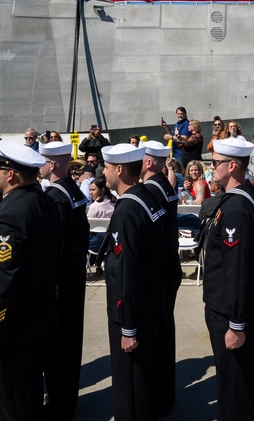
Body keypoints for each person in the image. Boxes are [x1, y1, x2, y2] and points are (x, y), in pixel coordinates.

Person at [0, 141, 59, 420]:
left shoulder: (10, 216)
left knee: (11, 401)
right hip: (36, 319)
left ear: (11, 175)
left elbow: (2, 283)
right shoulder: (43, 202)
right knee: (25, 396)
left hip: (10, 331)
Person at [203, 137, 254, 421]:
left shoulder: (236, 208)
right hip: (230, 306)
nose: (211, 168)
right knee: (238, 377)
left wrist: (236, 324)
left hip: (228, 310)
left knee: (234, 383)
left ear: (231, 166)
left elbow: (238, 269)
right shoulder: (239, 199)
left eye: (215, 163)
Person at [101, 143, 165, 421]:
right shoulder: (147, 197)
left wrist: (127, 326)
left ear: (118, 169)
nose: (103, 173)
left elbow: (126, 270)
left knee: (130, 389)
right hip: (149, 305)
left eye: (105, 167)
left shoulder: (127, 209)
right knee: (144, 384)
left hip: (131, 311)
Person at [38, 140, 91, 421]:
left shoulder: (55, 196)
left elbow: (56, 243)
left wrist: (53, 283)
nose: (39, 165)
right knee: (70, 338)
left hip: (61, 279)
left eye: (43, 160)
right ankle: (67, 397)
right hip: (74, 274)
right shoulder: (71, 190)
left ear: (53, 164)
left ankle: (59, 404)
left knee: (58, 345)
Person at [141, 140, 182, 415]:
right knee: (164, 333)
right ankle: (165, 393)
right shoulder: (165, 186)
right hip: (169, 266)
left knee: (155, 336)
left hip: (158, 271)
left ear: (147, 162)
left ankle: (158, 395)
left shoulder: (151, 190)